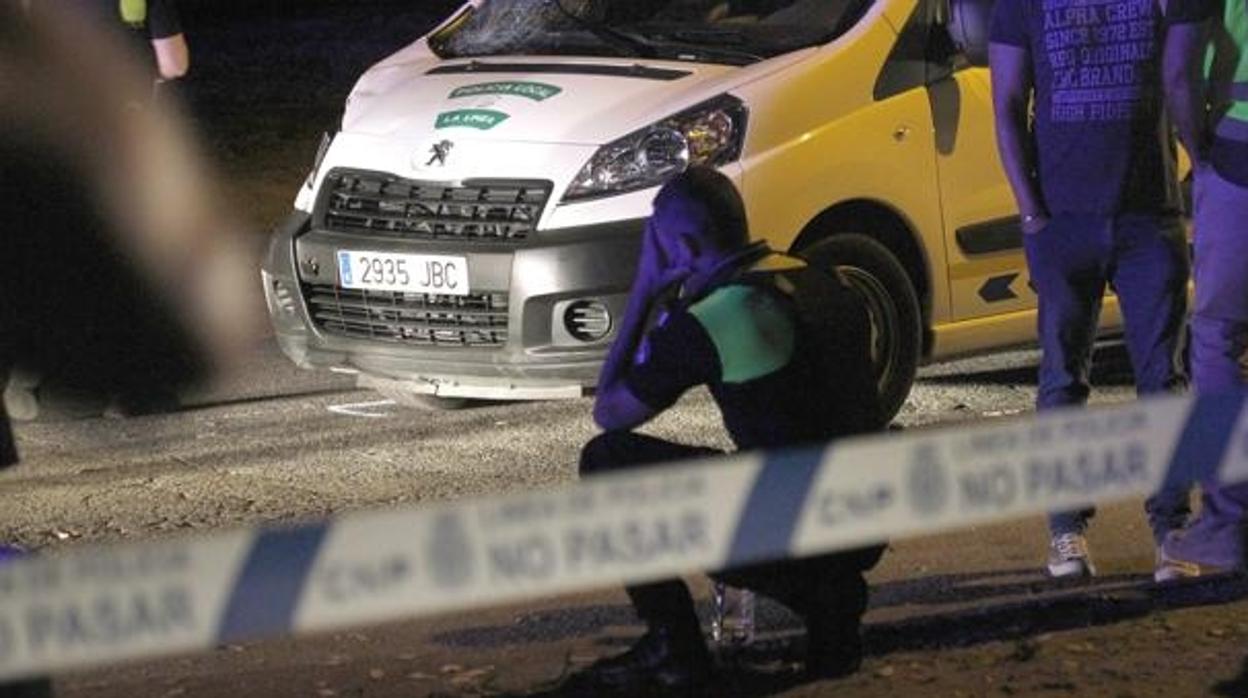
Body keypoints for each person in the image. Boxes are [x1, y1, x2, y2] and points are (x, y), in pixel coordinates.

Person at [570, 166, 887, 693]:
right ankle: (830, 605)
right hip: (867, 516)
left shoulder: (720, 315)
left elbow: (611, 410)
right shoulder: (819, 275)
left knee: (608, 459)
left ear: (684, 245)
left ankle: (675, 645)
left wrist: (646, 289)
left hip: (801, 530)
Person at [988, 0, 1210, 581]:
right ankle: (1066, 532)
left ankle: (1171, 528)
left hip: (1147, 218)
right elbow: (1007, 106)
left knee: (1163, 378)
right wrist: (1032, 214)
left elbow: (1184, 72)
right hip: (1064, 221)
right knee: (1064, 377)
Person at [1158, 0, 1248, 576]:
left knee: (1217, 338)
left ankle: (1226, 526)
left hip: (1240, 152)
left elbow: (1177, 69)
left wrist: (1202, 156)